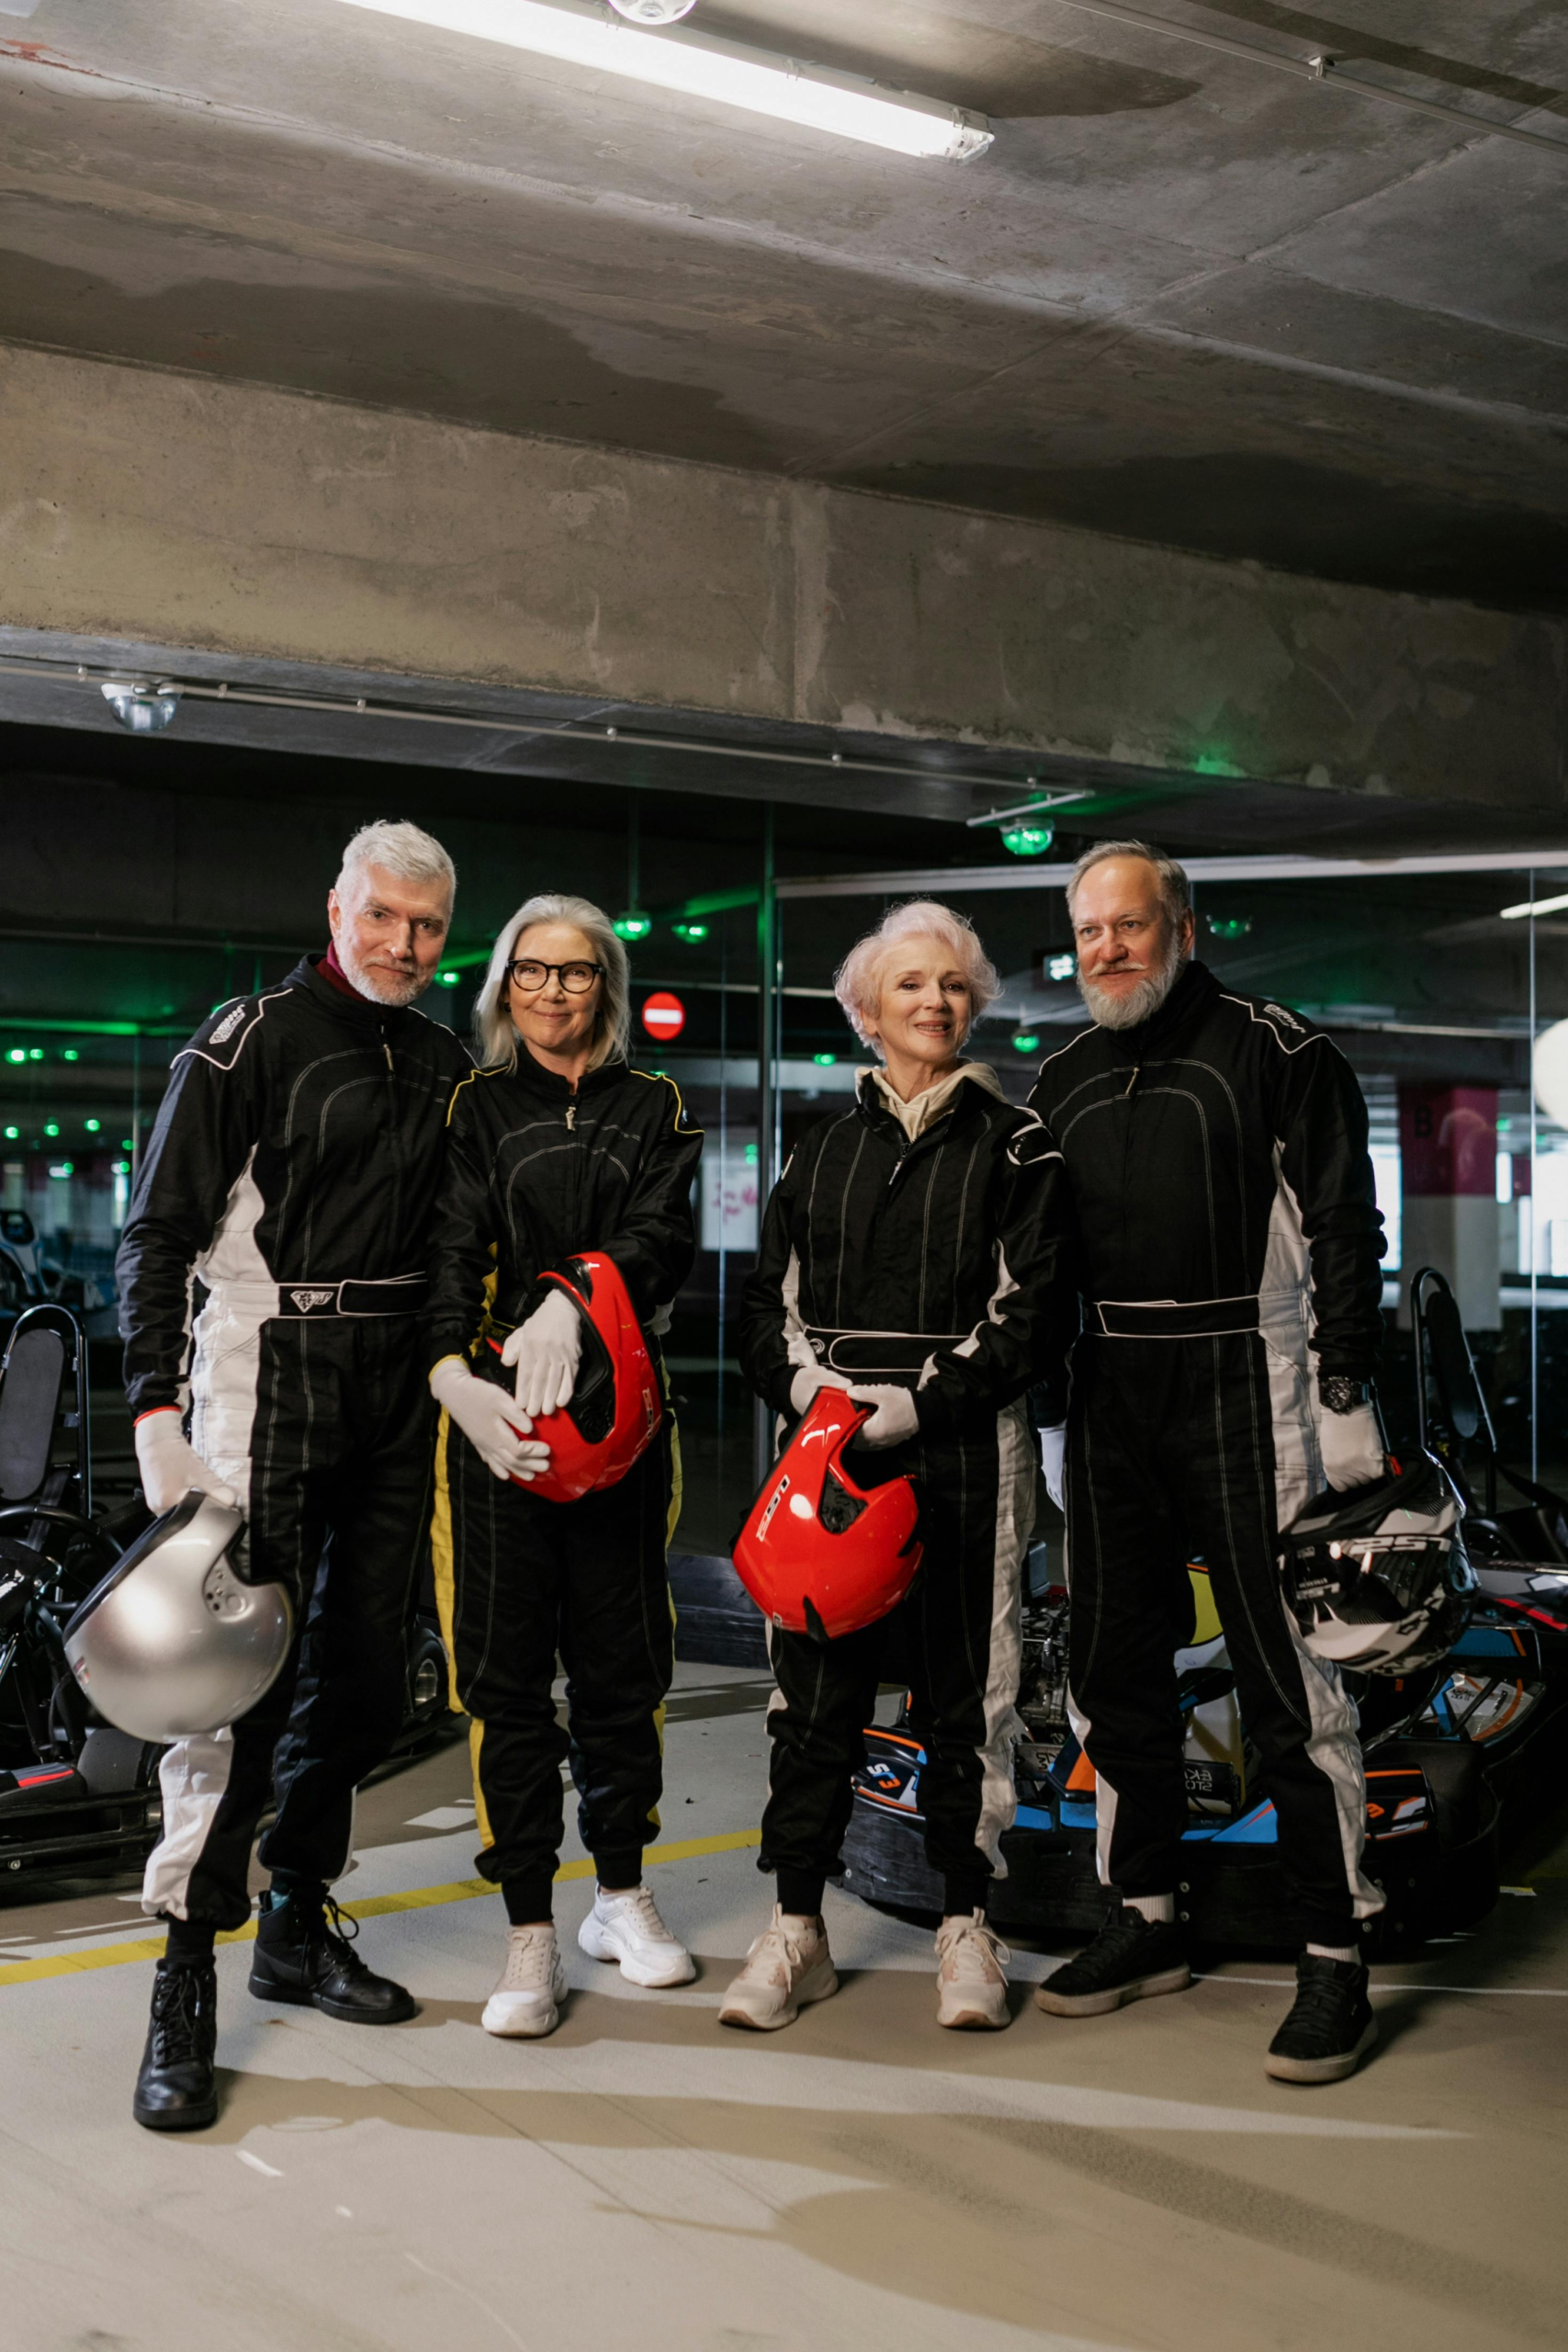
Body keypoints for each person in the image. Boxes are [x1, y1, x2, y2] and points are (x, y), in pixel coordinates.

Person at [118, 820, 470, 2132]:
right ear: (337, 905)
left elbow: (452, 1243)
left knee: (366, 1679)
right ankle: (184, 1970)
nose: (402, 946)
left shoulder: (442, 1060)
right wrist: (156, 1409)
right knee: (235, 1688)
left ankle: (293, 1919)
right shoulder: (247, 1039)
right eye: (382, 916)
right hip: (262, 1372)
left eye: (427, 927)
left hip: (391, 1390)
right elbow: (157, 1233)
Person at [1028, 840, 1388, 2084]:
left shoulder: (1276, 1050)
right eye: (1086, 934)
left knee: (1290, 1674)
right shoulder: (1059, 1076)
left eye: (1127, 926)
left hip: (1255, 1382)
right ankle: (1143, 1916)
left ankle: (1331, 1953)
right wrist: (1042, 1410)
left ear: (1179, 927)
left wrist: (1344, 1385)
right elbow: (1034, 1261)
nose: (1106, 950)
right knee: (1107, 1666)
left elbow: (1345, 1223)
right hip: (1108, 1389)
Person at [725, 900, 1076, 2033]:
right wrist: (815, 1403)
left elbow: (1031, 1317)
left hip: (968, 1446)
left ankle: (966, 1923)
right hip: (825, 1451)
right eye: (913, 985)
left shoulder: (1018, 1146)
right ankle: (795, 1929)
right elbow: (760, 1306)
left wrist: (914, 1406)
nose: (937, 1002)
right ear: (867, 1012)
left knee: (967, 1695)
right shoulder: (817, 1149)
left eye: (955, 987)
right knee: (812, 1700)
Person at [425, 892, 703, 2040]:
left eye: (576, 973)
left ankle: (621, 1895)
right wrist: (454, 1377)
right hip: (502, 1431)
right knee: (503, 1682)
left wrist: (572, 1295)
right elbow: (444, 1247)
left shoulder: (654, 1105)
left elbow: (661, 1232)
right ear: (504, 988)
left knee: (618, 1670)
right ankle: (531, 1926)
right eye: (532, 972)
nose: (552, 991)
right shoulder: (476, 1108)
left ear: (607, 987)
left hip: (625, 1431)